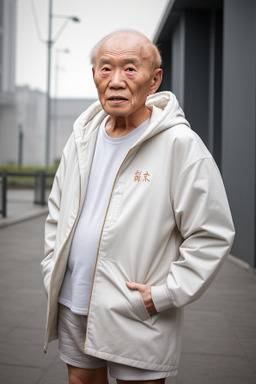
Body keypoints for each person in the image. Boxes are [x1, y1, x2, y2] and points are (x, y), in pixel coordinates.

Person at [41, 30, 235, 384]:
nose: (116, 81)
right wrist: (52, 269)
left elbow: (212, 232)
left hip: (136, 312)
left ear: (154, 79)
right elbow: (57, 212)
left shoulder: (181, 144)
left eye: (130, 69)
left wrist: (163, 295)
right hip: (73, 301)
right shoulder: (82, 138)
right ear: (95, 75)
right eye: (105, 69)